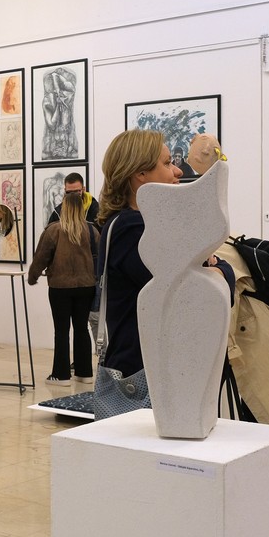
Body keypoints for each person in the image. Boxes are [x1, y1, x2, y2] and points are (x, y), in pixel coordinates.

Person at [95, 130, 183, 385]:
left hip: (144, 365)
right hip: (140, 372)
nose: (177, 171)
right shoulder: (132, 229)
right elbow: (182, 288)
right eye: (167, 163)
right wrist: (220, 269)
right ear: (140, 174)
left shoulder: (135, 226)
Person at [29, 189, 99, 386]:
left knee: (61, 330)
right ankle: (85, 373)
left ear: (64, 208)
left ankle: (60, 375)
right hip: (86, 286)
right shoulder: (91, 231)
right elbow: (100, 258)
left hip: (60, 287)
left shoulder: (54, 230)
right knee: (81, 328)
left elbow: (41, 257)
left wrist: (32, 277)